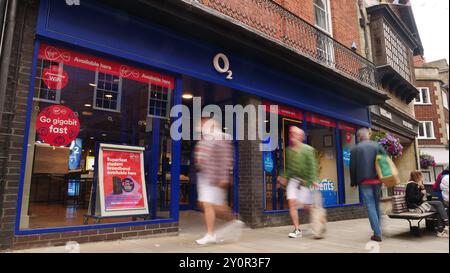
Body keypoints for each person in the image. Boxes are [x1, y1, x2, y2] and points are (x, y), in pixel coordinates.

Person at [194, 117, 243, 245]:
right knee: (212, 205)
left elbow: (226, 159)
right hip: (205, 176)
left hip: (214, 177)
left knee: (208, 204)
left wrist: (223, 178)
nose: (201, 125)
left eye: (203, 123)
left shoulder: (220, 138)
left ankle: (211, 234)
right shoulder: (206, 138)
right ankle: (234, 222)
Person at [277, 126, 318, 238]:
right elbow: (289, 168)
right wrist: (283, 177)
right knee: (292, 204)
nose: (292, 135)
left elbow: (312, 166)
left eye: (295, 133)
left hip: (305, 181)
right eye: (291, 133)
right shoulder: (289, 151)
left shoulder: (308, 149)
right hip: (294, 181)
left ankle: (317, 223)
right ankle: (297, 229)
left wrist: (313, 179)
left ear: (301, 137)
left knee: (307, 207)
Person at [349, 128, 384, 242]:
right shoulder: (377, 146)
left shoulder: (355, 149)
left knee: (370, 205)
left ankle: (377, 233)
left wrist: (353, 182)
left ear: (359, 137)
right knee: (377, 205)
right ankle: (378, 229)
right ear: (368, 135)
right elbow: (384, 161)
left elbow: (352, 167)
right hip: (378, 180)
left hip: (365, 182)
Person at [406, 171, 449, 238]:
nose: (422, 178)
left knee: (439, 205)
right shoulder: (411, 185)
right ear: (417, 176)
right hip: (415, 207)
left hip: (420, 204)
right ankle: (443, 227)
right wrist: (422, 193)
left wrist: (421, 188)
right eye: (421, 176)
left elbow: (420, 197)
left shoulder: (416, 184)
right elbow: (413, 199)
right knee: (439, 207)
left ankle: (442, 229)